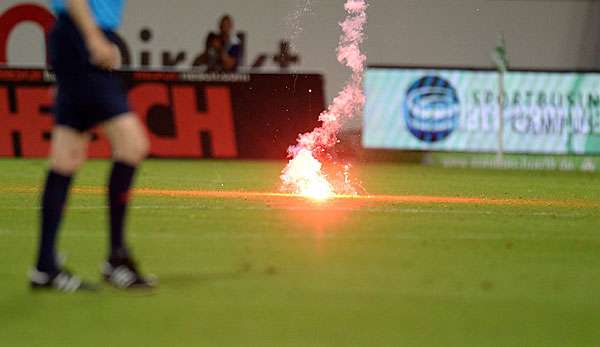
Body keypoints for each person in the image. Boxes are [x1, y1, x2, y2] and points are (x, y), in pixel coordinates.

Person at [29, 0, 155, 291]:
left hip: (75, 39)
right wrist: (93, 38)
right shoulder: (88, 34)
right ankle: (115, 258)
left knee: (66, 157)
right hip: (83, 37)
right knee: (132, 144)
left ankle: (45, 267)